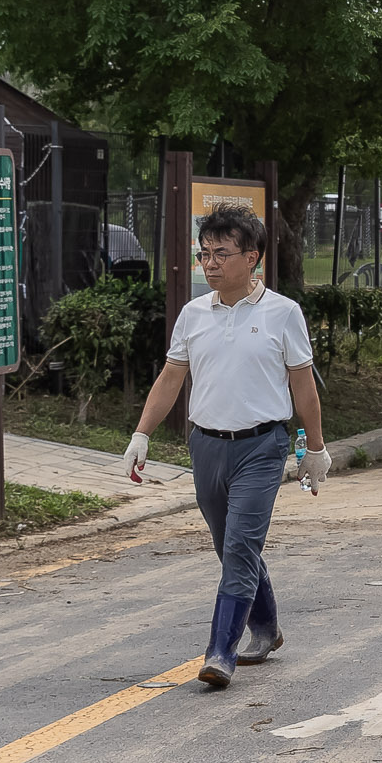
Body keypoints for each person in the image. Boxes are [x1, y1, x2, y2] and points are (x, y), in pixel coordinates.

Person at [123, 206, 329, 690]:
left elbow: (303, 386)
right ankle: (266, 626)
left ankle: (220, 651)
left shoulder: (283, 312)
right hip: (207, 447)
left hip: (263, 445)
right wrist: (141, 434)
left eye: (222, 254)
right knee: (228, 544)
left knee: (240, 545)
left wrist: (314, 449)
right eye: (204, 254)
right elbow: (172, 377)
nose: (210, 264)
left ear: (252, 258)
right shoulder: (194, 314)